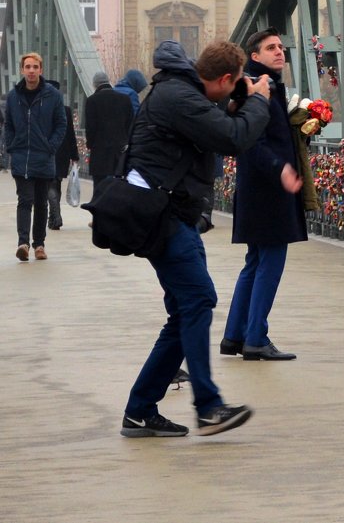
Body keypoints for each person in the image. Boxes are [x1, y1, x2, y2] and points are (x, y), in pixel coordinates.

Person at [121, 39, 272, 439]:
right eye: (235, 83)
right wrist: (257, 102)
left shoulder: (180, 92)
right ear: (225, 78)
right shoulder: (179, 97)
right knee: (199, 300)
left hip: (172, 214)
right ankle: (208, 407)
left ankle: (139, 411)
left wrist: (234, 105)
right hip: (162, 216)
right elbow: (233, 139)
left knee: (183, 313)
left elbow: (212, 127)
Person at [221, 28, 306, 361]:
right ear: (254, 57)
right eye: (271, 48)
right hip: (269, 190)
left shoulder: (265, 84)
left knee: (254, 262)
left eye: (281, 47)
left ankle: (235, 336)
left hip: (258, 189)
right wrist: (280, 168)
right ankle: (256, 338)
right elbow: (251, 141)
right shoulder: (255, 86)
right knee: (270, 262)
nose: (279, 52)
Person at [5, 53, 66, 262]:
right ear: (22, 70)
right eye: (27, 67)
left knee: (41, 202)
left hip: (44, 156)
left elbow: (61, 124)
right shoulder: (13, 97)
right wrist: (11, 146)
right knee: (25, 200)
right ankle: (23, 243)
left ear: (41, 70)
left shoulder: (53, 96)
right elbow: (9, 125)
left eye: (35, 67)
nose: (31, 70)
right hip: (21, 156)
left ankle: (39, 244)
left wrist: (52, 146)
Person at [84, 71, 134, 190]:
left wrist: (90, 144)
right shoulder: (125, 100)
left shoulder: (92, 101)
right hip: (120, 152)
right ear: (108, 81)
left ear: (95, 85)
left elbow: (90, 127)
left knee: (100, 188)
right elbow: (131, 125)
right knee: (119, 188)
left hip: (99, 152)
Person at [46, 80, 79, 230]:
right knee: (56, 183)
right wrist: (74, 155)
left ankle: (55, 214)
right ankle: (54, 217)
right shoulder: (65, 110)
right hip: (62, 153)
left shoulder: (42, 108)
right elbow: (71, 134)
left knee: (49, 184)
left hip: (46, 151)